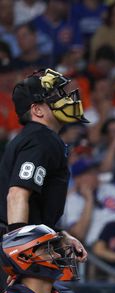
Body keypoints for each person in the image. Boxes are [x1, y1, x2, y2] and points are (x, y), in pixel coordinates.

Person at [0, 69, 88, 261]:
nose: (63, 99)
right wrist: (21, 250)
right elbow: (17, 195)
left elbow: (34, 206)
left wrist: (59, 235)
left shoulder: (38, 137)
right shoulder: (41, 138)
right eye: (54, 96)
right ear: (37, 110)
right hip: (13, 244)